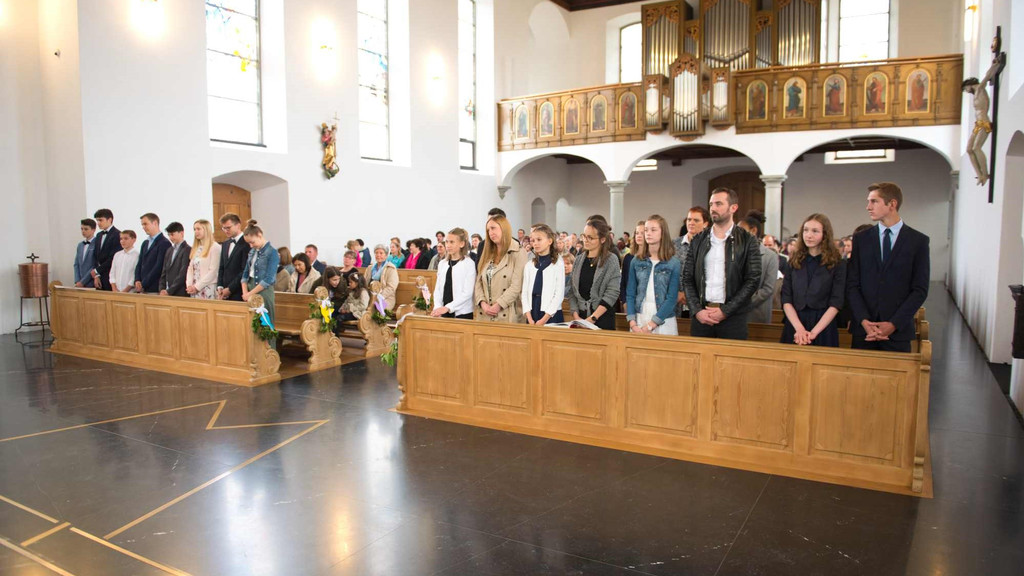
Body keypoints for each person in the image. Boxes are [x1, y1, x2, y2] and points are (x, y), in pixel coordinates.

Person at [846, 182, 930, 352]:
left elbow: (919, 289)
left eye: (874, 201)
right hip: (864, 330)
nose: (868, 207)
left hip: (897, 332)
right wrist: (864, 320)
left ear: (892, 204)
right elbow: (852, 284)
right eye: (868, 201)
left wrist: (893, 324)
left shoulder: (918, 241)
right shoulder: (862, 239)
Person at [681, 188, 762, 340]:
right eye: (711, 204)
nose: (713, 208)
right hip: (702, 316)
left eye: (718, 204)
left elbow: (752, 280)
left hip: (733, 318)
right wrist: (697, 310)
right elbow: (687, 278)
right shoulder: (698, 240)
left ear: (733, 208)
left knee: (732, 356)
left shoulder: (747, 240)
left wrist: (726, 311)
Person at [781, 214, 846, 347]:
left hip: (823, 325)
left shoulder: (837, 264)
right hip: (795, 323)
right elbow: (786, 299)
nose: (809, 235)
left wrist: (813, 333)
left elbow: (836, 302)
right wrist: (799, 329)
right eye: (806, 230)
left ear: (825, 234)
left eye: (815, 231)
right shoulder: (794, 261)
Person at [626, 215, 680, 335]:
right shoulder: (636, 261)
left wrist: (651, 325)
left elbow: (671, 298)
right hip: (639, 318)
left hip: (664, 319)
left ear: (663, 233)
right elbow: (630, 294)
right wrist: (632, 322)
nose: (648, 233)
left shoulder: (673, 263)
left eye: (653, 230)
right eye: (646, 230)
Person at [474, 215, 528, 323]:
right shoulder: (487, 252)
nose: (490, 233)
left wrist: (499, 305)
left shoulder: (519, 252)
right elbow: (479, 281)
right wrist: (482, 303)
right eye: (488, 230)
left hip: (507, 313)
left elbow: (516, 286)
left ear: (504, 227)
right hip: (485, 313)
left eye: (493, 228)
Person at [568, 219, 620, 330]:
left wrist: (592, 319)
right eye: (584, 236)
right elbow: (572, 290)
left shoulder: (611, 260)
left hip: (602, 318)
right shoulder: (578, 260)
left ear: (602, 239)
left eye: (590, 237)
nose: (585, 240)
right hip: (580, 318)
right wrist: (576, 316)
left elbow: (612, 293)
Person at [737, 210, 779, 324]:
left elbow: (767, 289)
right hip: (734, 314)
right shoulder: (734, 254)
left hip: (757, 314)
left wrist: (741, 303)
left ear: (753, 231)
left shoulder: (770, 256)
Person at [521, 224, 564, 326]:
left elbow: (558, 294)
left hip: (550, 313)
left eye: (539, 239)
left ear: (550, 241)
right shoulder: (529, 265)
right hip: (533, 310)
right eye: (533, 240)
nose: (535, 243)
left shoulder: (558, 263)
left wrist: (544, 319)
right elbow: (524, 293)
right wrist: (529, 317)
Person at [240, 220, 281, 327]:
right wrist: (245, 292)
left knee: (266, 324)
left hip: (263, 290)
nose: (250, 245)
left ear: (259, 235)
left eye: (252, 242)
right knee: (251, 325)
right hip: (249, 288)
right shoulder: (252, 251)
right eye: (248, 243)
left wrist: (250, 294)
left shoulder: (272, 252)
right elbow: (245, 274)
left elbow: (269, 279)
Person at [431, 228, 476, 319]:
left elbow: (467, 292)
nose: (448, 245)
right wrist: (438, 307)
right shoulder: (442, 263)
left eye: (452, 242)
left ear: (462, 244)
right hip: (443, 310)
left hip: (462, 312)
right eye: (447, 242)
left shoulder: (469, 264)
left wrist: (448, 307)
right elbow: (438, 289)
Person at [674, 207, 710, 318]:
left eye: (696, 220)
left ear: (705, 224)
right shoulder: (674, 244)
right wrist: (677, 293)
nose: (691, 223)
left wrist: (692, 296)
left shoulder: (711, 246)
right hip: (677, 302)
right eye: (689, 219)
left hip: (701, 303)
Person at [217, 213, 251, 301]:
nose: (226, 231)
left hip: (240, 291)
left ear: (238, 225)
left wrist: (230, 289)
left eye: (228, 228)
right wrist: (220, 286)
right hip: (224, 291)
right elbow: (222, 267)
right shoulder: (225, 244)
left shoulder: (247, 243)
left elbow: (245, 270)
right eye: (223, 228)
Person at [134, 213, 171, 294]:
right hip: (142, 288)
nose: (143, 227)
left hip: (154, 288)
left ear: (155, 223)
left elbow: (159, 267)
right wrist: (137, 280)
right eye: (142, 225)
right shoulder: (145, 243)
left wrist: (143, 284)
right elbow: (139, 263)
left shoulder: (164, 243)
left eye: (145, 224)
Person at [185, 220, 221, 299]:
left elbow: (213, 271)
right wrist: (189, 285)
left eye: (198, 229)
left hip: (207, 288)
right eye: (194, 229)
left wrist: (197, 287)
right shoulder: (196, 248)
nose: (196, 232)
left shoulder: (215, 247)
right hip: (194, 289)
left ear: (206, 229)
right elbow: (190, 269)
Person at [90, 208, 120, 290]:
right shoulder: (99, 235)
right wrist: (97, 275)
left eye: (100, 220)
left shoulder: (117, 234)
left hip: (111, 276)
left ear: (109, 220)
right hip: (99, 277)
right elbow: (96, 256)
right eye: (97, 220)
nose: (98, 223)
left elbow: (113, 258)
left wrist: (97, 270)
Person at [159, 222, 191, 297]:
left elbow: (183, 273)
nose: (170, 237)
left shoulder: (187, 249)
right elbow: (164, 272)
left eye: (172, 234)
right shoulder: (169, 250)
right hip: (167, 291)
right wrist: (161, 289)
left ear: (181, 233)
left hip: (180, 292)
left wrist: (170, 291)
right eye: (169, 235)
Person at [620, 220, 646, 311]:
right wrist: (624, 301)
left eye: (642, 233)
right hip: (630, 302)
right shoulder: (628, 257)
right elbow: (623, 282)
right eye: (637, 233)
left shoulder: (652, 258)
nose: (639, 236)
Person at [364, 244, 400, 309]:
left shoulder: (390, 268)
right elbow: (364, 283)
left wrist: (378, 297)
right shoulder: (369, 268)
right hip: (369, 296)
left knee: (376, 307)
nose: (378, 255)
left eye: (381, 253)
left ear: (386, 255)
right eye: (376, 253)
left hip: (385, 297)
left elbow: (391, 287)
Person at [74, 219, 97, 288]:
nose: (83, 231)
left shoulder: (97, 243)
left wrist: (83, 281)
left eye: (86, 229)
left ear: (93, 230)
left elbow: (94, 265)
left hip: (92, 282)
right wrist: (77, 280)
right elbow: (76, 264)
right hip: (79, 282)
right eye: (82, 229)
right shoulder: (80, 245)